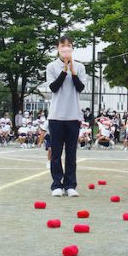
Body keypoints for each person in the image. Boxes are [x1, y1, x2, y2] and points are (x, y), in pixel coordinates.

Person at [45, 35, 86, 197]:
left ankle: (70, 185)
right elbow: (54, 88)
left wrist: (73, 71)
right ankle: (56, 184)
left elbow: (80, 88)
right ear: (58, 48)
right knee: (56, 153)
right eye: (63, 46)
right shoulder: (51, 66)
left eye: (69, 45)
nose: (66, 48)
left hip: (73, 116)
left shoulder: (80, 67)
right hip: (56, 116)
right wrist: (64, 71)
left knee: (71, 153)